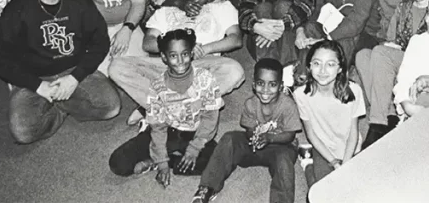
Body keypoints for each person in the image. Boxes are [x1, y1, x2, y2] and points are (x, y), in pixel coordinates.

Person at [0, 0, 119, 144]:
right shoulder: (18, 7)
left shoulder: (79, 0)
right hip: (35, 78)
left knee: (111, 108)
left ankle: (61, 102)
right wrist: (37, 85)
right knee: (23, 132)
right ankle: (60, 106)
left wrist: (75, 78)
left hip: (73, 71)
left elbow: (100, 42)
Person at [111, 0, 243, 126]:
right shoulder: (167, 9)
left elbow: (236, 38)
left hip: (202, 65)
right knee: (117, 66)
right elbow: (148, 42)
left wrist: (206, 48)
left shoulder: (221, 6)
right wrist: (176, 49)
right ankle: (182, 106)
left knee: (234, 70)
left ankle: (158, 106)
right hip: (167, 64)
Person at [108, 29, 222, 183]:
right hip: (167, 131)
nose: (181, 61)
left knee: (218, 162)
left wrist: (194, 149)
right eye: (173, 56)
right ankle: (161, 159)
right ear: (164, 57)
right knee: (118, 163)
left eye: (185, 54)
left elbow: (210, 118)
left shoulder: (206, 79)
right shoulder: (157, 86)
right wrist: (161, 160)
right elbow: (158, 127)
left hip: (195, 133)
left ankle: (164, 162)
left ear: (192, 54)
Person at [356, 0, 429, 147]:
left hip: (426, 62)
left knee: (380, 52)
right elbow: (392, 40)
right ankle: (390, 113)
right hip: (402, 57)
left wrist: (395, 49)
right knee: (363, 56)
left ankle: (377, 122)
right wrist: (391, 46)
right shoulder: (404, 7)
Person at [192, 58, 301, 203]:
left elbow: (290, 135)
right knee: (229, 138)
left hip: (281, 147)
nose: (266, 90)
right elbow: (248, 127)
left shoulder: (288, 106)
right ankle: (208, 187)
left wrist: (269, 138)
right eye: (261, 84)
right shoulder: (250, 103)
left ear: (281, 86)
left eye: (272, 85)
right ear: (254, 85)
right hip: (255, 146)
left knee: (284, 163)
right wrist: (253, 136)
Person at [293, 40, 366, 188]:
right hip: (322, 148)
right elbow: (311, 134)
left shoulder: (354, 90)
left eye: (330, 64)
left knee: (356, 191)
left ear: (340, 68)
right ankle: (308, 164)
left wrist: (345, 164)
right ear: (309, 66)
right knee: (322, 192)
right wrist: (333, 162)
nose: (322, 71)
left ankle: (308, 163)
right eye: (317, 63)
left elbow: (353, 133)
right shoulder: (300, 94)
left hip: (350, 149)